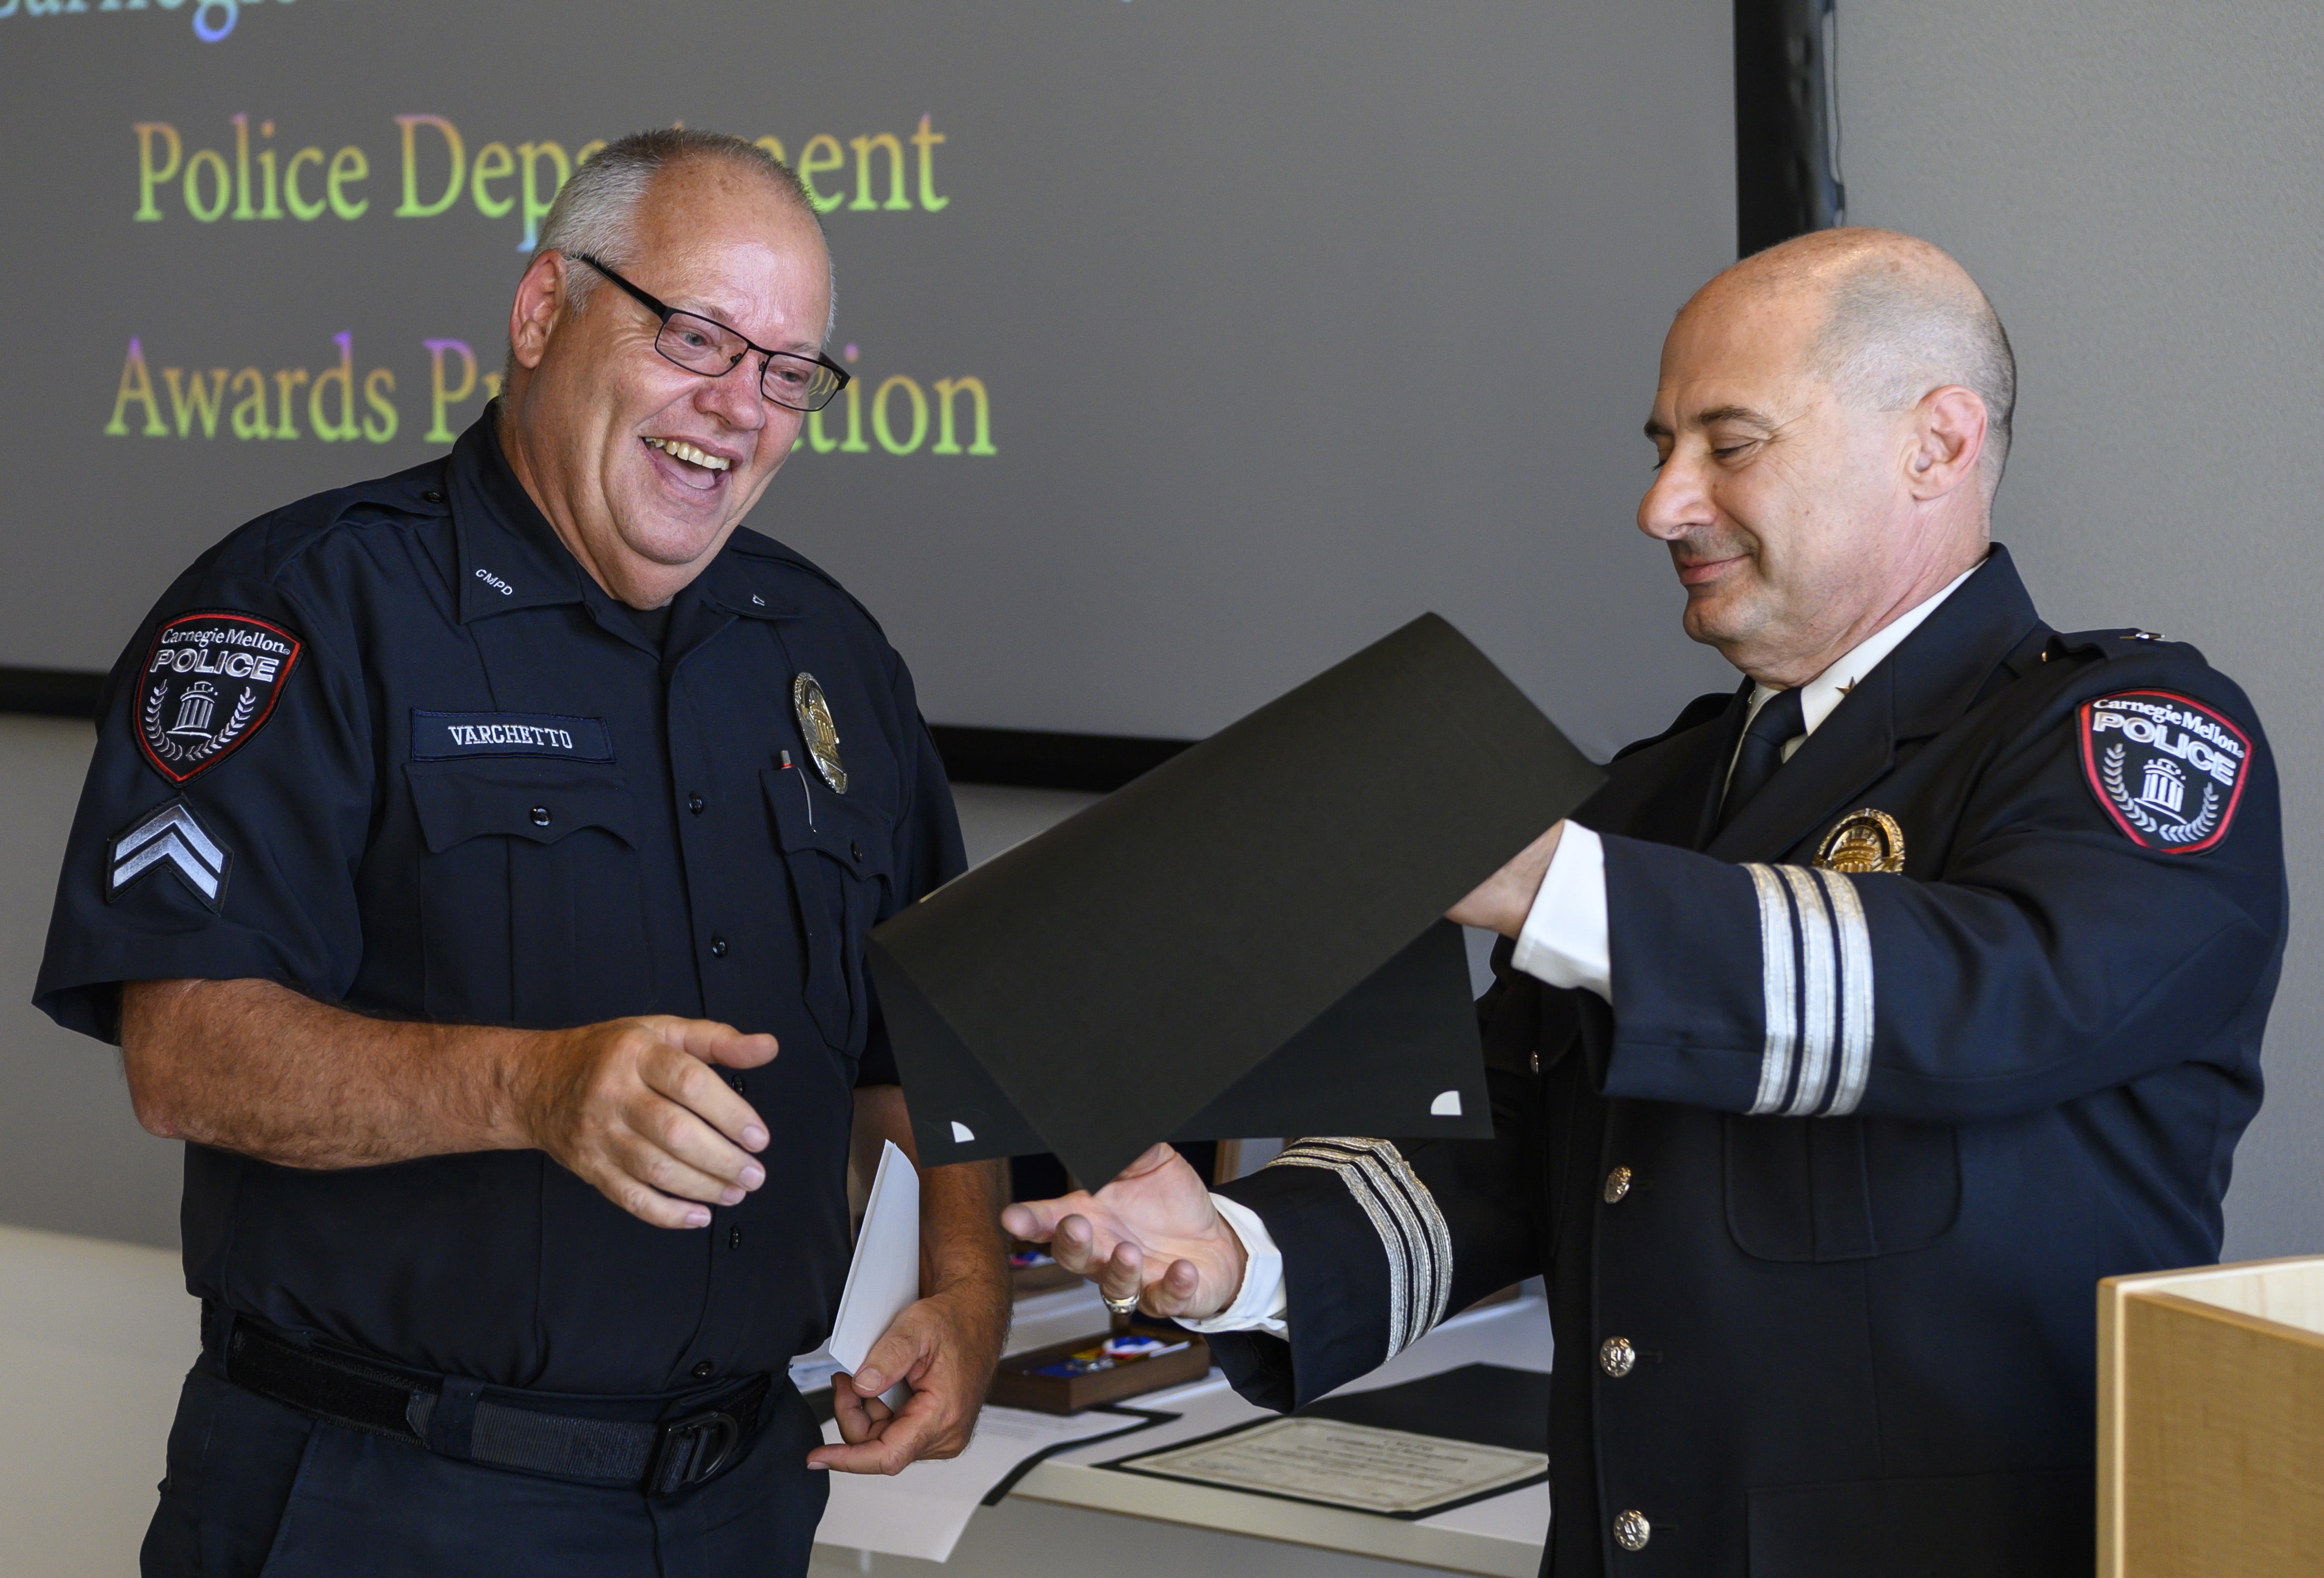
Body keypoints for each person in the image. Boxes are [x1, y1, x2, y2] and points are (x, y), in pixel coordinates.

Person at [1004, 229, 2287, 1575]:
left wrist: (1540, 878)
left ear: (1936, 443)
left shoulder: (2130, 730)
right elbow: (1501, 1140)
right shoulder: (1658, 790)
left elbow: (2002, 994)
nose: (1661, 504)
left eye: (1728, 444)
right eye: (1661, 446)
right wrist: (1239, 1247)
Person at [35, 129, 1007, 1577]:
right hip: (389, 1502)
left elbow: (929, 1033)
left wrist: (966, 1279)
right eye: (694, 336)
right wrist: (532, 1085)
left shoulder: (828, 653)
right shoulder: (305, 607)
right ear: (544, 311)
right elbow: (184, 1051)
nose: (735, 407)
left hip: (741, 1498)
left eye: (787, 369)